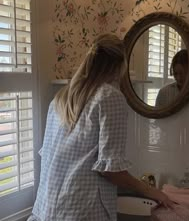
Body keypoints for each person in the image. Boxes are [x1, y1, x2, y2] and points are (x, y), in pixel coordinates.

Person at [28, 34, 173, 221]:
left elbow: (49, 157)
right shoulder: (109, 97)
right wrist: (153, 192)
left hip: (47, 208)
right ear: (120, 65)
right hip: (83, 210)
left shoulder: (61, 98)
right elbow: (111, 172)